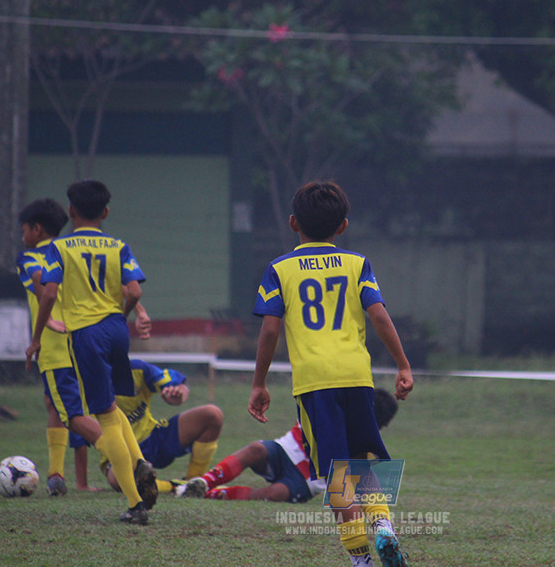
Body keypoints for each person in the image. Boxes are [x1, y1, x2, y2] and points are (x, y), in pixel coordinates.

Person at [247, 181, 413, 567]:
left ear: (292, 223)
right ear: (343, 226)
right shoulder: (357, 264)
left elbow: (270, 329)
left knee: (337, 474)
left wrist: (259, 383)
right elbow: (379, 315)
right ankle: (384, 529)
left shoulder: (279, 269)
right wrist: (403, 364)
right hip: (356, 376)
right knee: (364, 459)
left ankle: (362, 561)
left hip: (315, 382)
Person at [29, 179, 156, 525]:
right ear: (105, 212)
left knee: (102, 413)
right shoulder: (118, 246)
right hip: (116, 329)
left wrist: (37, 336)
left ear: (71, 212)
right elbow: (133, 291)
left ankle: (134, 505)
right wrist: (122, 316)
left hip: (86, 334)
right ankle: (140, 460)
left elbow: (50, 294)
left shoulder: (59, 248)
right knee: (111, 406)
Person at [177, 388, 397, 503]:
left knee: (275, 494)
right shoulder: (332, 405)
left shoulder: (360, 443)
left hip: (303, 480)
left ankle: (207, 495)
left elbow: (349, 483)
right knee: (256, 449)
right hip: (285, 449)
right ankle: (204, 482)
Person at [100, 358, 223, 496]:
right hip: (120, 451)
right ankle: (177, 487)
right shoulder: (86, 383)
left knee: (212, 414)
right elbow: (77, 428)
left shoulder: (136, 369)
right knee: (119, 480)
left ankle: (195, 480)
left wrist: (179, 394)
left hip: (152, 437)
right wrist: (82, 483)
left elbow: (179, 384)